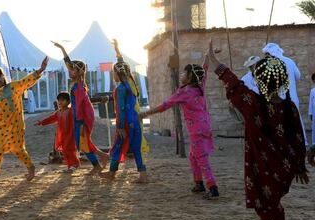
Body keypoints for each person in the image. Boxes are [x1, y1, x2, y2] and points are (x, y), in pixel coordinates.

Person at [208, 39, 309, 220]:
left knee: (265, 205)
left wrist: (212, 59)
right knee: (271, 203)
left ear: (258, 80)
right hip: (283, 170)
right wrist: (300, 166)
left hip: (261, 169)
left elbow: (232, 81)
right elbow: (299, 140)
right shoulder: (290, 108)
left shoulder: (252, 103)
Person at [140, 48, 219, 198]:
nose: (182, 75)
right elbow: (204, 69)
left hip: (196, 130)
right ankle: (199, 184)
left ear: (190, 77)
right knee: (193, 156)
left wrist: (145, 113)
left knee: (201, 158)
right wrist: (207, 55)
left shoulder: (184, 92)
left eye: (184, 73)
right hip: (205, 126)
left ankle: (213, 187)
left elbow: (165, 105)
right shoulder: (200, 86)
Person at [0, 57, 49, 188]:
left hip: (16, 126)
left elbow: (27, 81)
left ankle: (31, 168)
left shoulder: (14, 87)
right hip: (1, 128)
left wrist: (41, 69)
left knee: (19, 150)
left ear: (3, 76)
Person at [53, 41, 109, 175]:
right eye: (70, 69)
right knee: (84, 143)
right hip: (80, 117)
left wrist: (81, 122)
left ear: (79, 72)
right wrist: (62, 49)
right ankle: (102, 157)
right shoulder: (77, 84)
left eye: (73, 69)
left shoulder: (78, 87)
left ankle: (97, 164)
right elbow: (68, 63)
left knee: (83, 143)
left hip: (82, 118)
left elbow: (78, 106)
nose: (70, 71)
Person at [100, 40, 149, 183]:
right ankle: (143, 174)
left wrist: (120, 126)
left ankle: (111, 173)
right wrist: (117, 50)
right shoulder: (131, 83)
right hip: (135, 121)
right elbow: (122, 65)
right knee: (136, 148)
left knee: (117, 147)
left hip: (126, 123)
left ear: (118, 74)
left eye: (113, 72)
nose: (113, 75)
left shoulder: (120, 89)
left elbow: (121, 109)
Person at [262, 43, 307, 145]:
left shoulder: (270, 64)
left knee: (281, 121)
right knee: (296, 120)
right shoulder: (290, 61)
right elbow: (298, 76)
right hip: (293, 98)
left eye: (267, 54)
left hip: (278, 99)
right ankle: (301, 142)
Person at [35, 92, 80, 173]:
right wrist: (41, 122)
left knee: (70, 150)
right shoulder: (58, 112)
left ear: (68, 102)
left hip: (71, 134)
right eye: (59, 100)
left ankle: (75, 164)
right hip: (62, 135)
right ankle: (70, 166)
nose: (60, 102)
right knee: (65, 151)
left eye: (63, 100)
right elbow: (51, 119)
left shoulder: (71, 111)